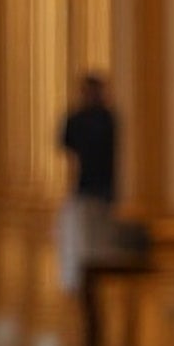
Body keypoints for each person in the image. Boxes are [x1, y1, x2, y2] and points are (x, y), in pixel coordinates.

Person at [57, 72, 118, 293]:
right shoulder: (109, 120)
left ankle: (90, 289)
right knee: (97, 246)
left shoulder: (80, 119)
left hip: (94, 190)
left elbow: (65, 143)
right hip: (101, 191)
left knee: (90, 246)